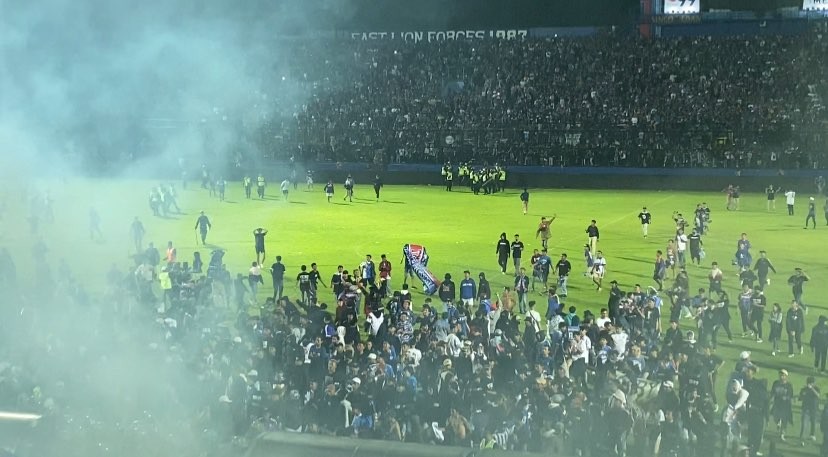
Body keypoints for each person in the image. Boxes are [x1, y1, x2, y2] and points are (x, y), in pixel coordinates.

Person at [770, 369, 794, 441]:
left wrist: (786, 397)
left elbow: (790, 395)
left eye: (783, 375)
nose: (781, 376)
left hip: (785, 405)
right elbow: (772, 392)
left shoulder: (789, 385)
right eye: (780, 375)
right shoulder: (775, 383)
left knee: (784, 420)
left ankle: (782, 434)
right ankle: (778, 423)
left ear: (786, 376)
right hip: (777, 403)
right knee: (775, 417)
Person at [798, 376, 820, 445]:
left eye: (811, 383)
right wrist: (802, 395)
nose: (810, 384)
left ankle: (812, 435)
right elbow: (800, 398)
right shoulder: (804, 389)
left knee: (813, 422)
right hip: (805, 409)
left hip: (814, 409)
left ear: (814, 383)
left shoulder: (816, 388)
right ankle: (802, 438)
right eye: (809, 383)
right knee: (804, 424)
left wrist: (812, 389)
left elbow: (818, 395)